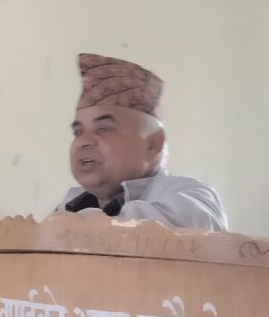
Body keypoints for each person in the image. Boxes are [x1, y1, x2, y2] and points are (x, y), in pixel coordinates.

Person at [62, 53, 229, 231]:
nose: (84, 141)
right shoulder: (68, 206)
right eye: (78, 132)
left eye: (104, 128)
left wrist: (60, 228)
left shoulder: (193, 198)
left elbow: (144, 232)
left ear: (153, 145)